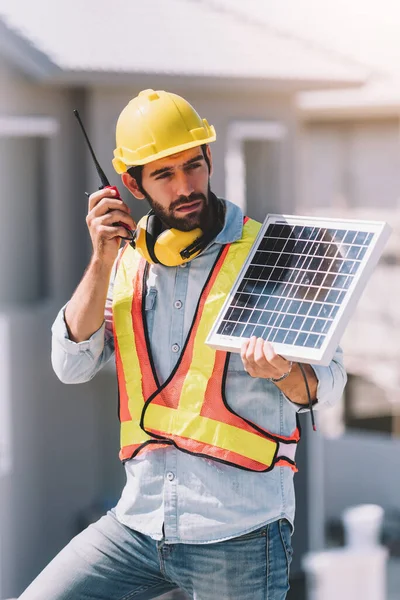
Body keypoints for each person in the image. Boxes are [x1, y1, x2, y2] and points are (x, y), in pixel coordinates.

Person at [20, 89, 346, 600]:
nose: (186, 185)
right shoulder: (127, 261)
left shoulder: (269, 252)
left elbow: (326, 383)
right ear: (132, 183)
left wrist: (283, 373)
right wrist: (101, 261)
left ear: (210, 158)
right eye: (164, 175)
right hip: (138, 524)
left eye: (193, 165)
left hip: (239, 535)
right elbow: (70, 364)